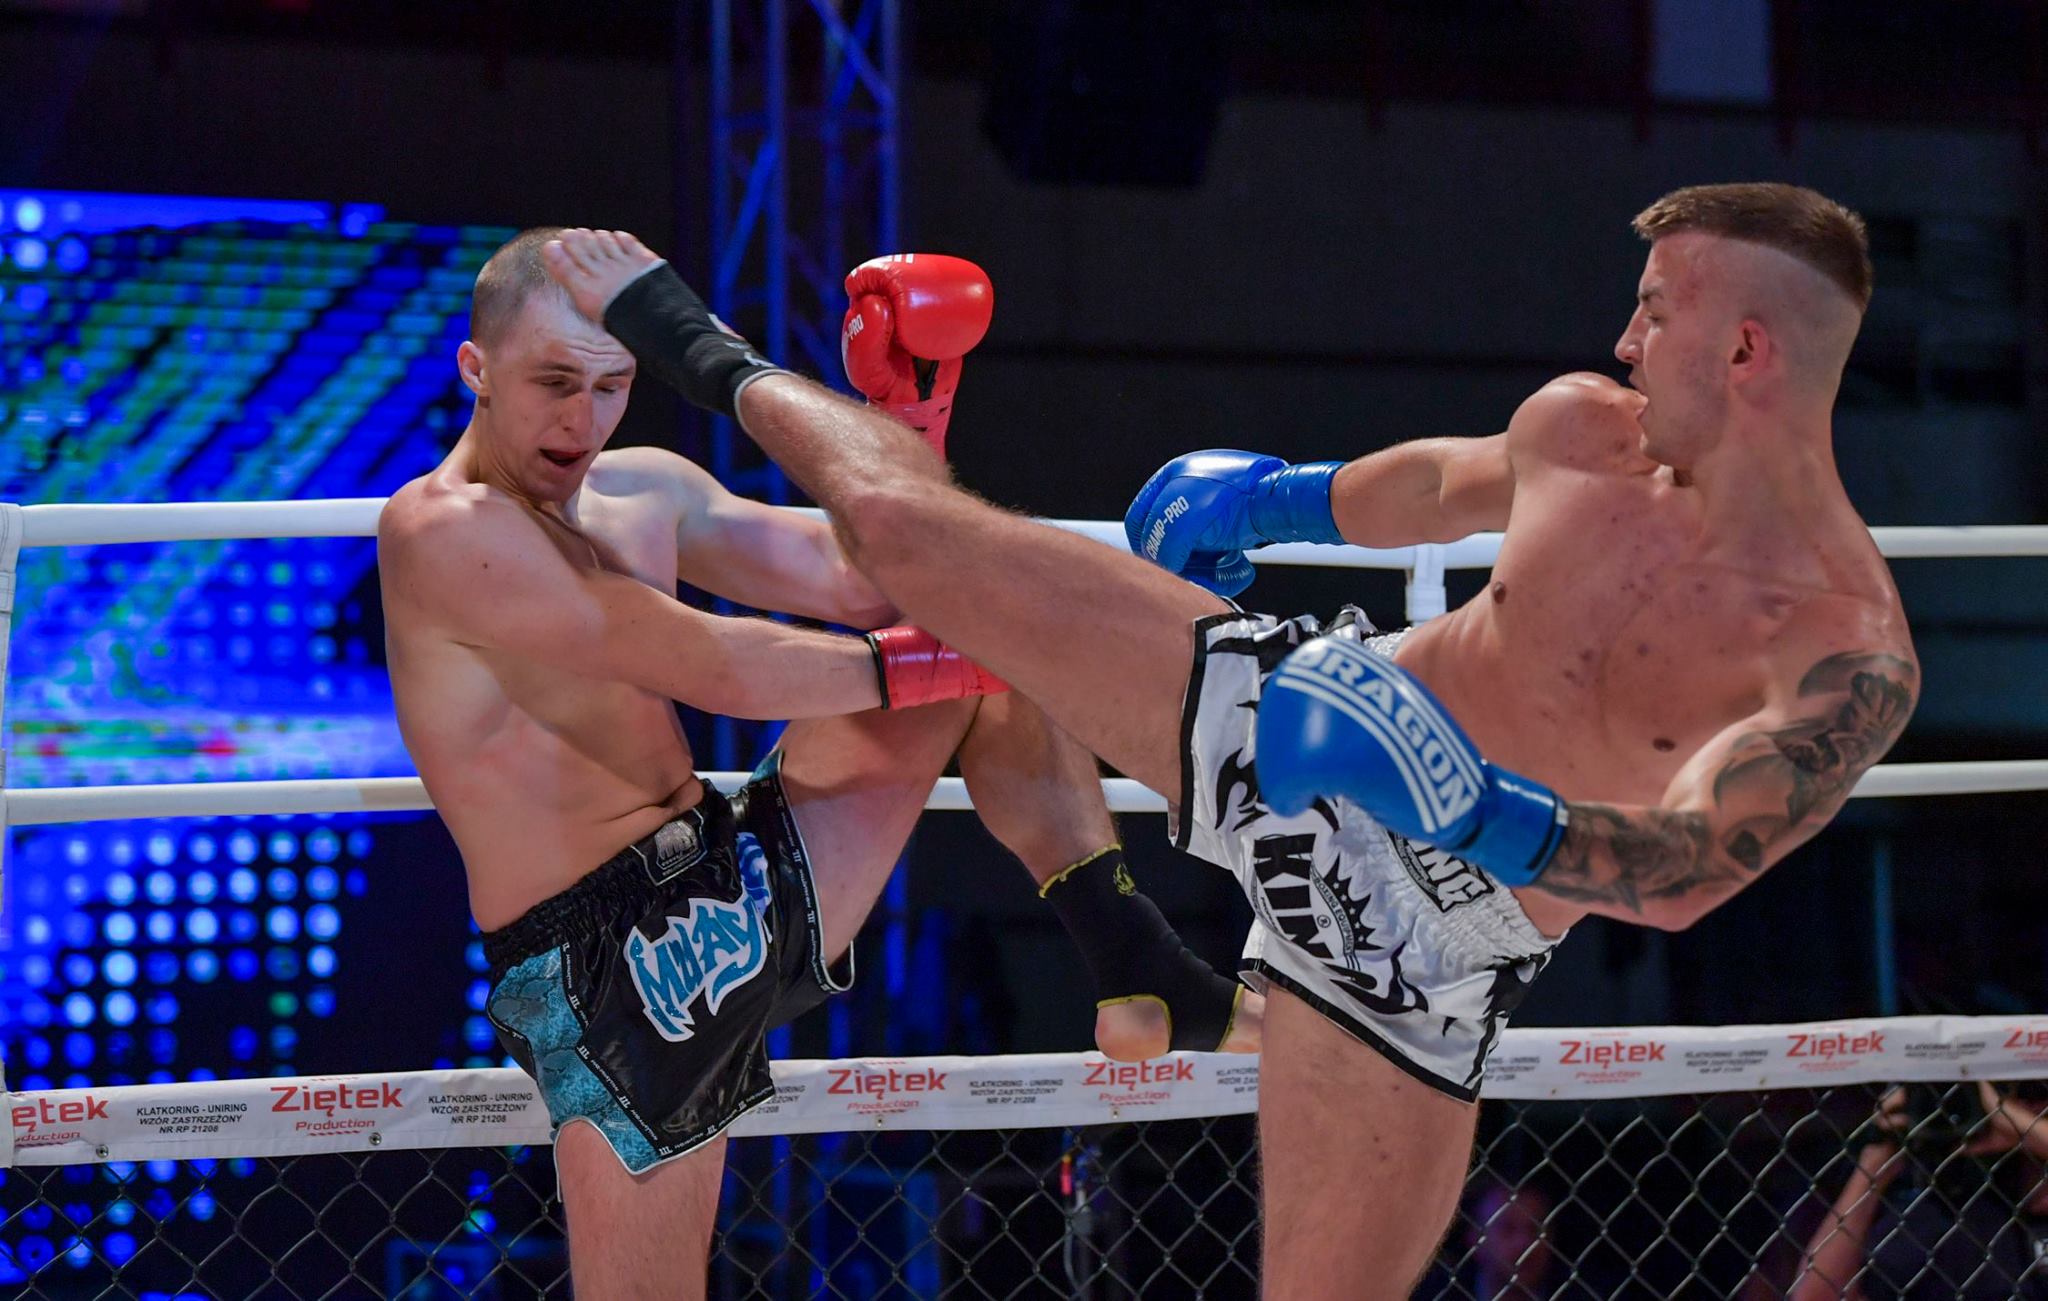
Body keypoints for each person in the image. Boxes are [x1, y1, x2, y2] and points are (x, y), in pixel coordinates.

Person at [541, 180, 1919, 1298]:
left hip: (1425, 940)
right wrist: (1276, 500)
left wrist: (1462, 800)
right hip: (1296, 711)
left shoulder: (1842, 649)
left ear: (1746, 350)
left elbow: (1685, 867)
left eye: (1656, 313)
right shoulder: (1584, 429)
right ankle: (694, 339)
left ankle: (1151, 962)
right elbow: (1433, 485)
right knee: (921, 543)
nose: (1624, 339)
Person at [378, 230, 1250, 1297]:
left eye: (610, 386)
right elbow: (712, 662)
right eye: (554, 382)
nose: (583, 419)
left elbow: (865, 578)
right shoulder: (440, 530)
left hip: (728, 864)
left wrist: (909, 414)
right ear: (476, 369)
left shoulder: (643, 489)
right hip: (605, 955)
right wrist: (949, 660)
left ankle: (1134, 958)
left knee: (976, 609)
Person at [1791, 1083, 2048, 1298]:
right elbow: (1815, 1295)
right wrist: (1876, 1162)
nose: (2028, 1108)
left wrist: (2014, 1121)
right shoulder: (1932, 1209)